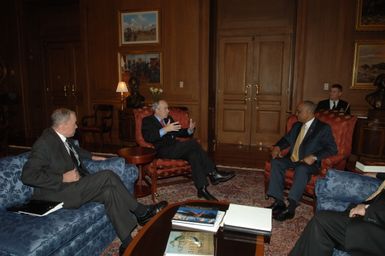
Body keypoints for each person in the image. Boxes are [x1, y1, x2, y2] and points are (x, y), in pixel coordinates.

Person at [21, 108, 167, 256]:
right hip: (58, 193)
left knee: (109, 192)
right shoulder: (45, 143)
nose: (77, 126)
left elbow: (74, 150)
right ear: (63, 126)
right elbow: (28, 175)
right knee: (107, 175)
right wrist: (62, 178)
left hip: (73, 187)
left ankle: (127, 242)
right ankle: (141, 212)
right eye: (74, 123)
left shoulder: (60, 137)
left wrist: (92, 157)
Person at [141, 100, 235, 201]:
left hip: (175, 147)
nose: (168, 111)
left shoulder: (168, 118)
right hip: (162, 150)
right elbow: (149, 137)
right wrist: (165, 130)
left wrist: (189, 130)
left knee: (193, 154)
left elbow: (179, 131)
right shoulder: (147, 120)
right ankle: (213, 173)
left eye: (168, 108)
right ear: (157, 110)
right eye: (165, 108)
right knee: (193, 143)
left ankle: (202, 189)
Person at [266, 101, 337, 221]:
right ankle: (279, 202)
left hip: (309, 164)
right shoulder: (297, 125)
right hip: (292, 159)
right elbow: (286, 140)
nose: (296, 113)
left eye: (299, 111)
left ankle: (291, 207)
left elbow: (332, 149)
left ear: (309, 112)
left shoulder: (322, 128)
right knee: (276, 162)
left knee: (301, 168)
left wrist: (314, 156)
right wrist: (277, 147)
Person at [290, 179, 385, 256]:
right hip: (374, 219)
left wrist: (368, 210)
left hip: (377, 230)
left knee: (321, 221)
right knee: (320, 224)